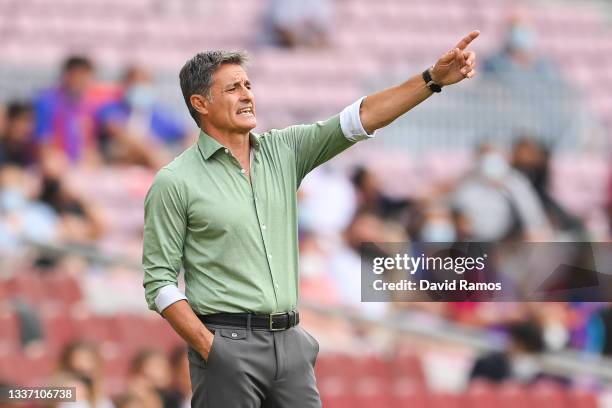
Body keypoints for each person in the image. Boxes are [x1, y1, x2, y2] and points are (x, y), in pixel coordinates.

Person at [143, 31, 479, 407]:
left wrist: (430, 81)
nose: (247, 95)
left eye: (248, 85)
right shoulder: (174, 181)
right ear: (200, 103)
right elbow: (159, 282)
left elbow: (362, 116)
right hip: (227, 343)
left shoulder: (284, 151)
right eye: (233, 88)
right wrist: (212, 348)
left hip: (291, 344)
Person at [97, 66, 190, 169]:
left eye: (145, 82)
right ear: (126, 85)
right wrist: (150, 147)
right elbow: (115, 129)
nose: (141, 86)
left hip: (152, 158)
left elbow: (187, 134)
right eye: (136, 82)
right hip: (118, 155)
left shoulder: (157, 114)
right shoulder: (112, 107)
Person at [33, 56, 100, 166]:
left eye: (85, 76)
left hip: (80, 165)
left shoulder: (90, 105)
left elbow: (90, 143)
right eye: (77, 76)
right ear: (67, 75)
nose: (82, 81)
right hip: (52, 164)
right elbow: (43, 142)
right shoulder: (46, 101)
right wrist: (55, 160)